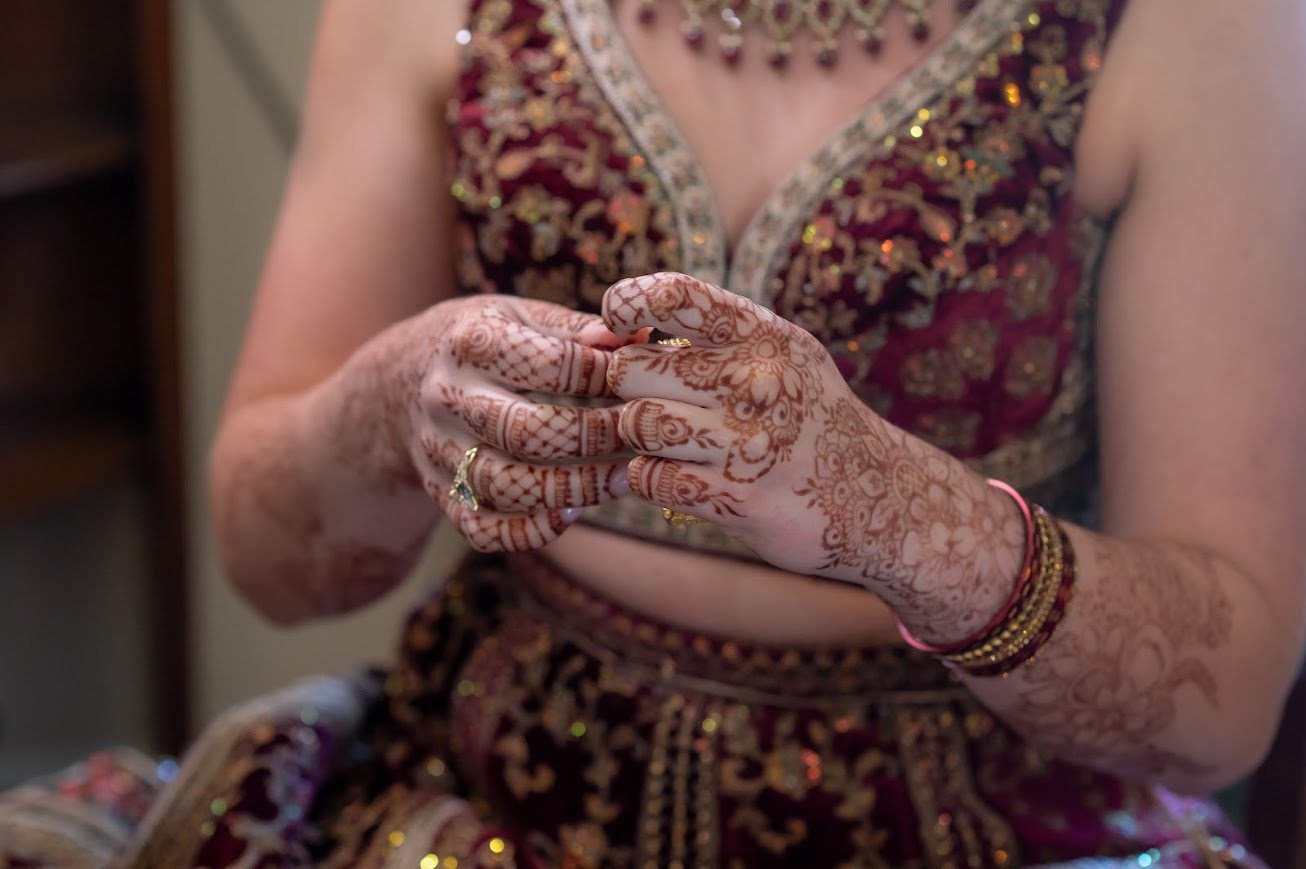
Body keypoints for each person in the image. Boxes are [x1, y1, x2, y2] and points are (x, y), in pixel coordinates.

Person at [3, 0, 1304, 865]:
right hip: (488, 790)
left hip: (992, 825)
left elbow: (1224, 697)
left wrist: (897, 513)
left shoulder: (1190, 26)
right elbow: (270, 561)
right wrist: (393, 405)